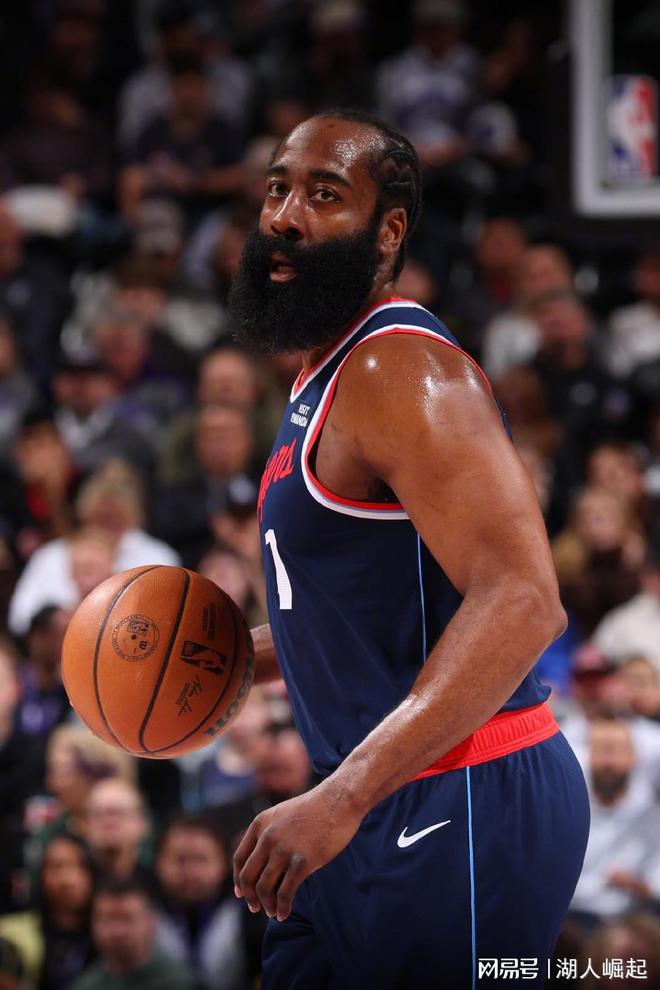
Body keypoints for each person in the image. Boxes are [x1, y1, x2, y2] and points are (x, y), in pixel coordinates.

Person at [226, 109, 590, 987]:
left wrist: (346, 795)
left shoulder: (399, 369)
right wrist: (223, 662)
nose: (286, 216)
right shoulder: (326, 371)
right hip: (365, 794)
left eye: (325, 195)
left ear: (388, 232)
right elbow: (367, 611)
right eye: (278, 188)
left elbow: (524, 600)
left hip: (460, 791)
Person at [69, 878, 197, 990]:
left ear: (151, 923)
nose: (117, 931)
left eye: (127, 919)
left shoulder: (179, 983)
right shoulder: (86, 985)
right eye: (108, 919)